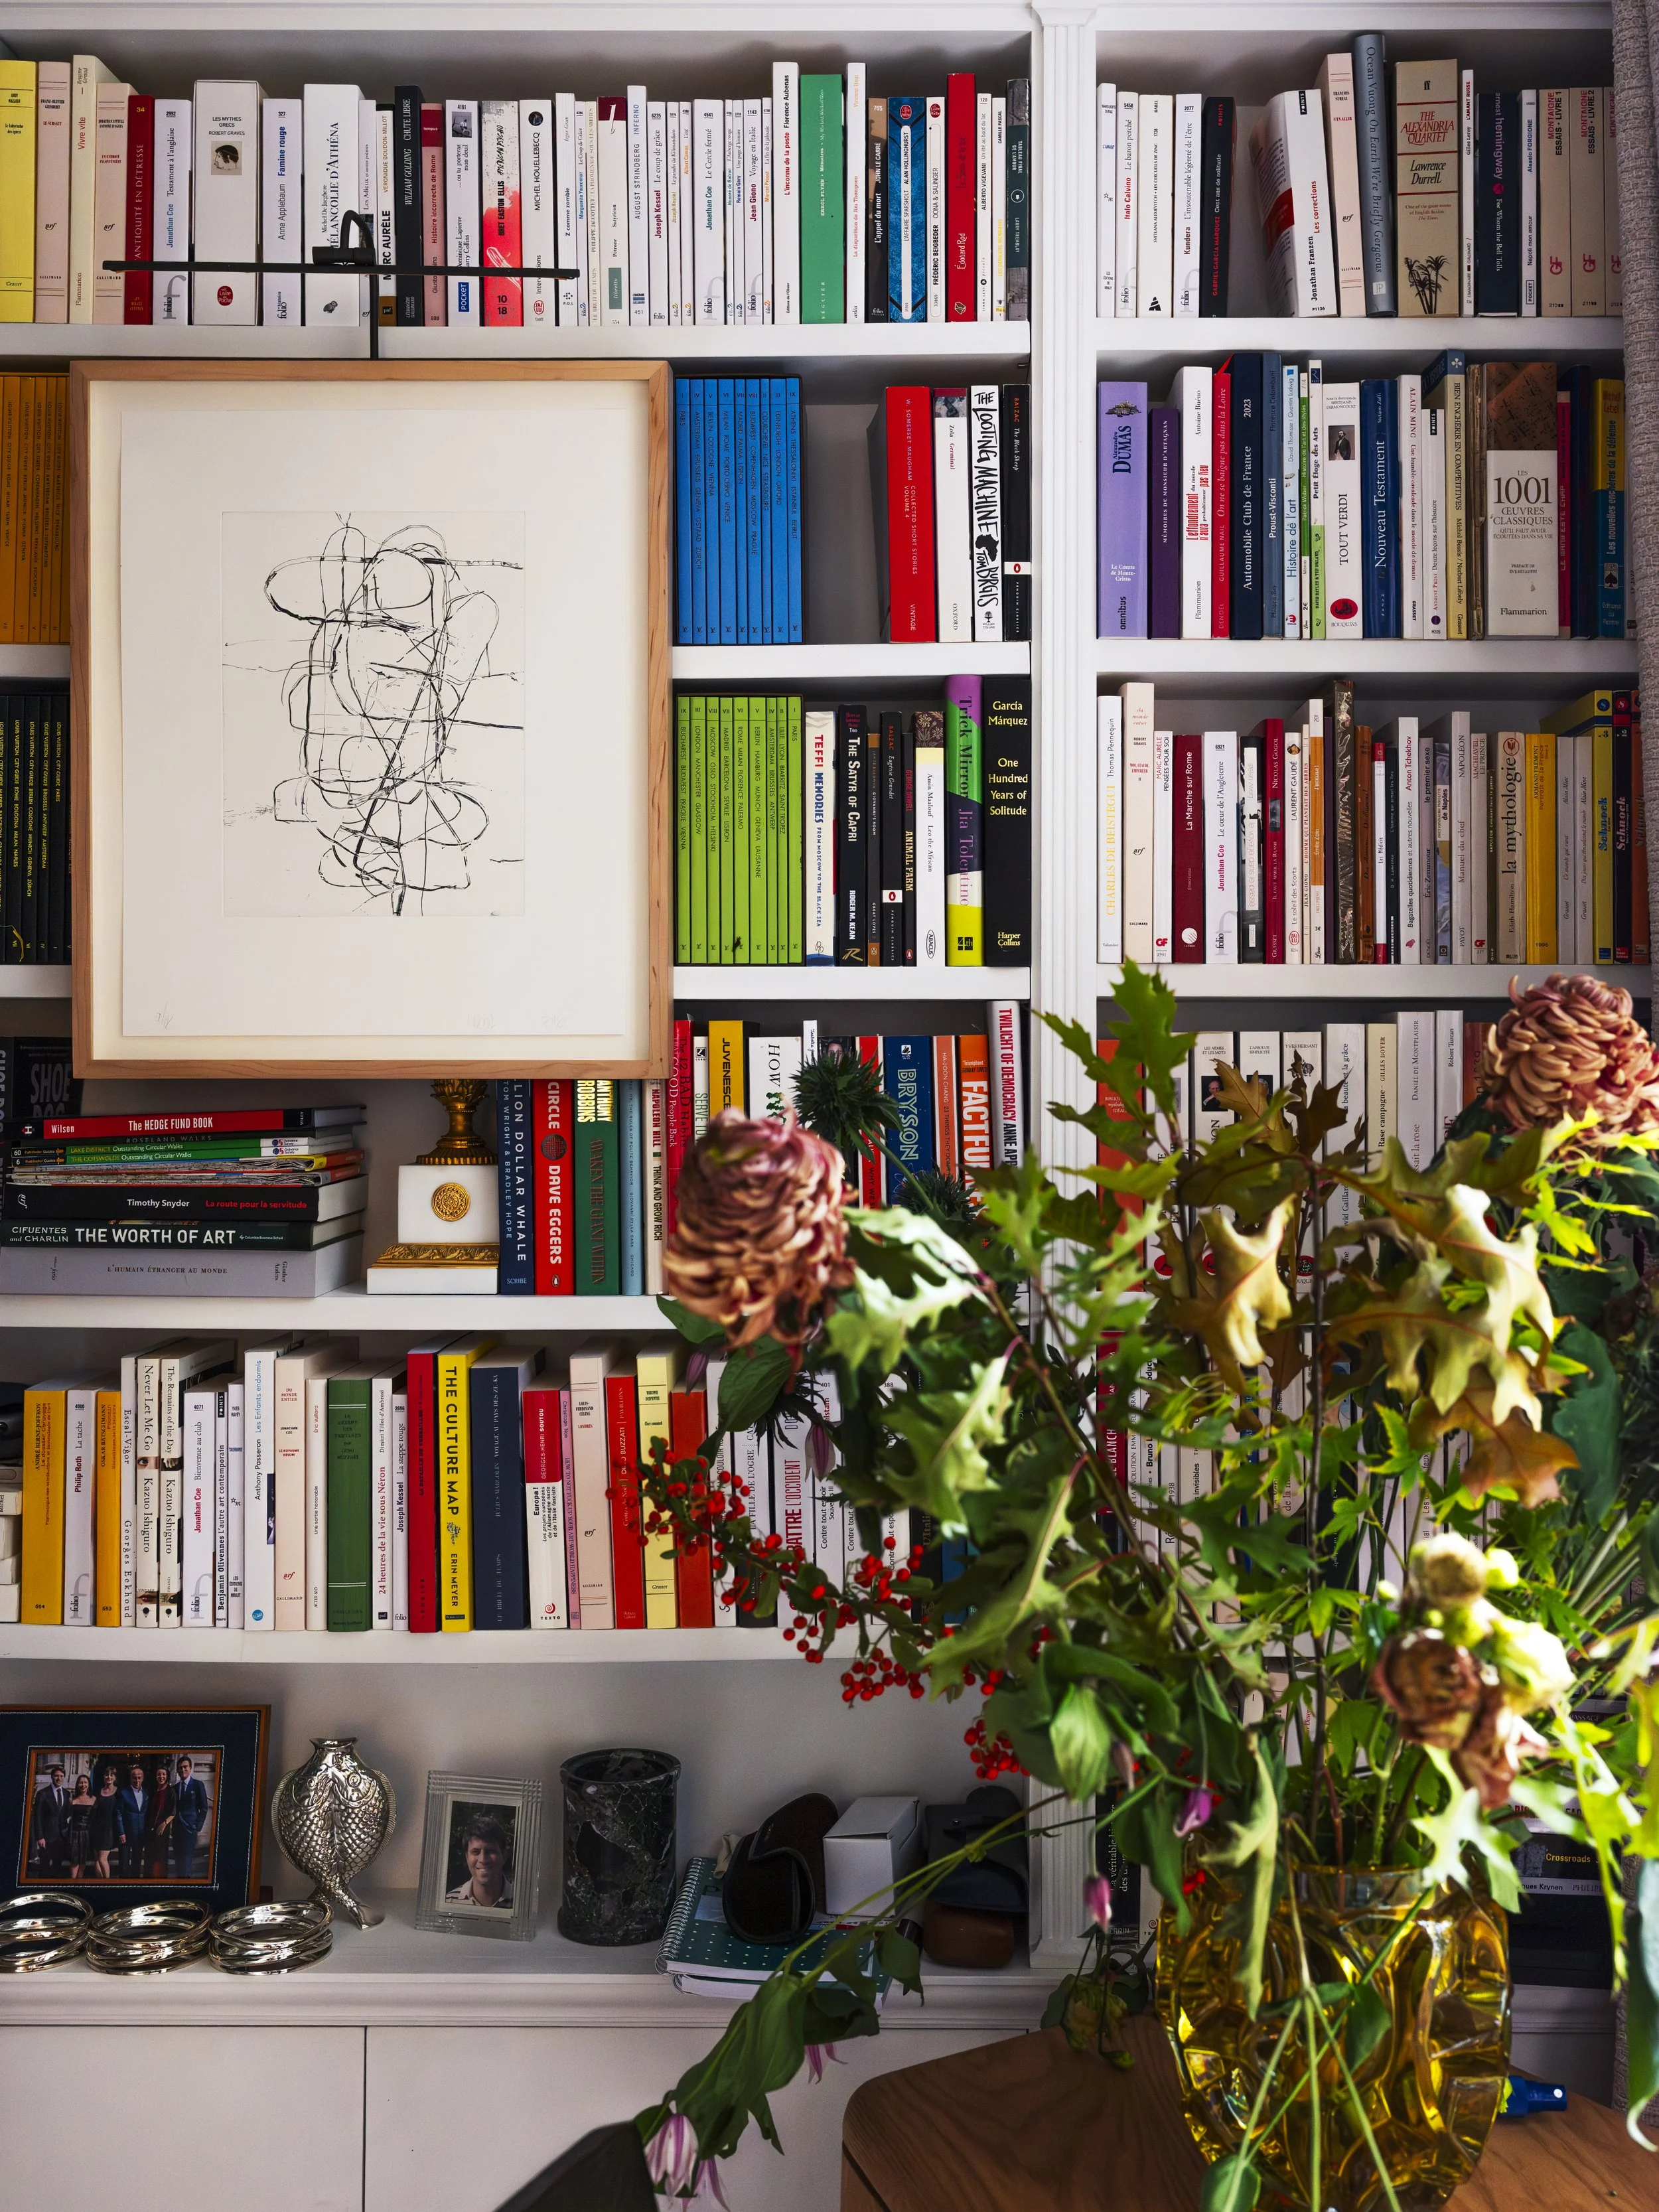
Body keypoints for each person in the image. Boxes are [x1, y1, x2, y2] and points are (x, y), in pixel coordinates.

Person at [444, 1813, 514, 1909]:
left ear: (504, 1856)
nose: (483, 1860)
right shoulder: (449, 1902)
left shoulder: (522, 1904)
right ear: (467, 1857)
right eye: (476, 1852)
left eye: (490, 1851)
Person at [173, 1755, 209, 1878]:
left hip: (190, 1829)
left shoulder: (198, 1785)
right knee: (178, 1861)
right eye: (180, 1768)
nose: (182, 1770)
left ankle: (185, 1884)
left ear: (190, 1768)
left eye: (185, 1767)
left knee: (186, 1862)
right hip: (177, 1830)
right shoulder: (175, 1788)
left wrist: (197, 1827)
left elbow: (204, 1808)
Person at [31, 1765, 69, 1876]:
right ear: (52, 1777)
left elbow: (66, 1813)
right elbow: (37, 1817)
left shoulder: (67, 1794)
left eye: (62, 1776)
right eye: (57, 1776)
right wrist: (40, 1837)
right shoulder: (43, 1794)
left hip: (61, 1837)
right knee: (45, 1867)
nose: (59, 1778)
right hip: (46, 1838)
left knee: (58, 1866)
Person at [143, 1760, 177, 1880]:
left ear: (167, 1776)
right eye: (159, 1775)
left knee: (160, 1858)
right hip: (150, 1830)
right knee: (149, 1857)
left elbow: (173, 1812)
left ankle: (158, 1881)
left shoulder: (171, 1791)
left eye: (163, 1774)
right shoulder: (153, 1791)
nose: (161, 1777)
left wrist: (165, 1823)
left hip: (162, 1830)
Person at [115, 1763, 148, 1878]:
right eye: (134, 1777)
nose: (137, 1780)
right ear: (130, 1778)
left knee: (137, 1865)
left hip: (140, 1835)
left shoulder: (146, 1794)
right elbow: (118, 1813)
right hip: (126, 1835)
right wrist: (121, 1833)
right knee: (124, 1866)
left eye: (139, 1777)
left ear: (143, 1778)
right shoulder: (123, 1793)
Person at [90, 1763, 121, 1880]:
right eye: (107, 1775)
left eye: (112, 1775)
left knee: (103, 1859)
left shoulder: (119, 1793)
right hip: (96, 1828)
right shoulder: (99, 1792)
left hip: (109, 1830)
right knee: (96, 1860)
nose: (109, 1777)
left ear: (115, 1778)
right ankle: (100, 1882)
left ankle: (108, 1884)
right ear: (104, 1777)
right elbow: (94, 1809)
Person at [65, 1773, 95, 1878]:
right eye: (81, 1782)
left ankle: (79, 1882)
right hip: (74, 1834)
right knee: (74, 1862)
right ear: (78, 1785)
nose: (83, 1785)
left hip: (86, 1834)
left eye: (85, 1782)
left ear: (89, 1785)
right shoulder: (72, 1800)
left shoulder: (94, 1800)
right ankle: (72, 1884)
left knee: (83, 1862)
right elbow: (67, 1818)